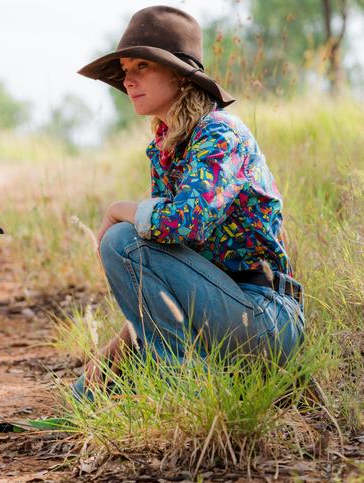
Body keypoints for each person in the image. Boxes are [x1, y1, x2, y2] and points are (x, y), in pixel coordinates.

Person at [72, 5, 305, 398]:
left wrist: (118, 209)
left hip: (264, 318)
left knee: (120, 239)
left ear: (180, 75)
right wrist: (104, 361)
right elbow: (163, 273)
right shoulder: (166, 149)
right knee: (87, 393)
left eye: (142, 66)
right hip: (218, 311)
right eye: (125, 70)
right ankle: (175, 378)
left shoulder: (220, 134)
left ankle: (181, 388)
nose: (128, 80)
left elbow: (184, 223)